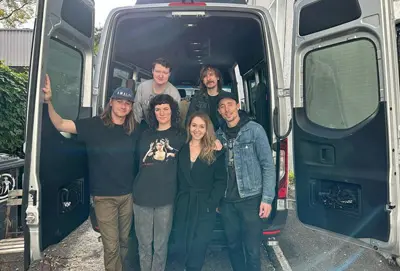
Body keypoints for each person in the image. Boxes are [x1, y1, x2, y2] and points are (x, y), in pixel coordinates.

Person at [41, 75, 138, 271]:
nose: (123, 106)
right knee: (111, 246)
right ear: (111, 103)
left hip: (128, 195)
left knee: (125, 241)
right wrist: (48, 101)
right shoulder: (94, 125)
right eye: (119, 101)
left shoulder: (134, 129)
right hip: (104, 197)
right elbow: (60, 124)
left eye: (128, 103)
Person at [216, 92, 276, 271]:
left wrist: (267, 198)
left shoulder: (255, 130)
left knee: (252, 250)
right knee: (233, 246)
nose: (227, 110)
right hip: (227, 201)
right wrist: (217, 198)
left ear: (237, 106)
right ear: (219, 111)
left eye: (230, 104)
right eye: (222, 106)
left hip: (251, 199)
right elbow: (214, 171)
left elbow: (267, 165)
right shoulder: (218, 136)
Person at [132, 94, 186, 271]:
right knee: (144, 245)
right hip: (141, 197)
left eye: (165, 109)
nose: (161, 113)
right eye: (157, 109)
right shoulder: (144, 134)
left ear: (172, 111)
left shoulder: (181, 135)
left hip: (166, 198)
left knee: (161, 246)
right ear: (153, 112)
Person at [174, 112, 227, 271]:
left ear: (207, 129)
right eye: (194, 125)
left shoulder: (214, 150)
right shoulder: (180, 148)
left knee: (200, 243)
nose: (197, 130)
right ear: (189, 127)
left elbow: (220, 180)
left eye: (201, 126)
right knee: (181, 241)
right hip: (183, 202)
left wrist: (212, 203)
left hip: (205, 203)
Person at [133, 58, 181, 127]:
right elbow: (136, 114)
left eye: (165, 73)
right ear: (152, 71)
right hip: (145, 127)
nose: (161, 76)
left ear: (169, 74)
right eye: (158, 71)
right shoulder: (142, 87)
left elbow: (175, 118)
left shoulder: (174, 94)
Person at [185, 65, 228, 131]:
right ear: (203, 80)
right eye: (205, 76)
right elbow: (189, 120)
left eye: (211, 75)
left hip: (224, 135)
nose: (208, 78)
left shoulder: (227, 97)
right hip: (202, 135)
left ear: (218, 77)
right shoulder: (197, 98)